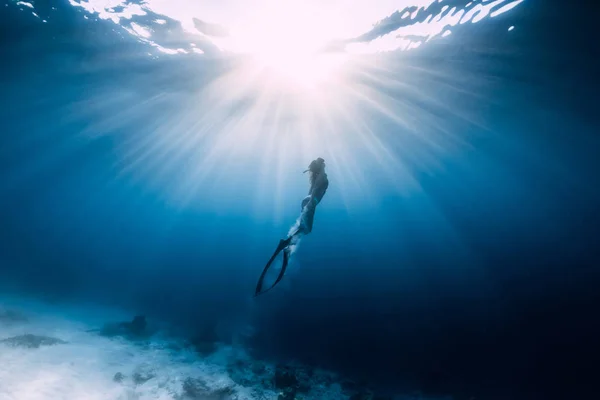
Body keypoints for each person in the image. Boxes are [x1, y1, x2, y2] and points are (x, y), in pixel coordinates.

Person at [254, 158, 329, 296]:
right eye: (323, 165)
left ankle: (288, 245)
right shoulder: (322, 176)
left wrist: (307, 207)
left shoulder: (317, 177)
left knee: (303, 229)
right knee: (306, 229)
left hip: (308, 202)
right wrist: (309, 208)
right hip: (310, 203)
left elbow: (312, 191)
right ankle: (285, 243)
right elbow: (315, 193)